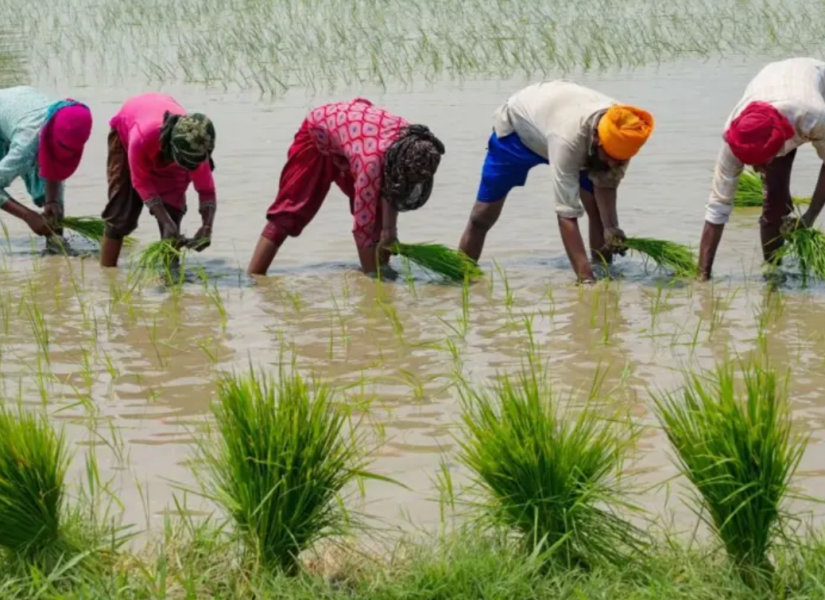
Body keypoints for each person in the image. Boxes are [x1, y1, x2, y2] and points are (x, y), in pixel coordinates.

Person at [458, 80, 654, 282]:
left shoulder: (625, 133)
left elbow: (606, 184)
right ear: (597, 139)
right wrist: (585, 281)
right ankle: (461, 276)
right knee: (481, 217)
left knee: (596, 212)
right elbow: (566, 215)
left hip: (568, 133)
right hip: (518, 134)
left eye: (619, 160)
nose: (615, 163)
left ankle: (605, 273)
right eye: (611, 157)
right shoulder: (568, 139)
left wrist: (611, 227)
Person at [247, 98, 445, 276]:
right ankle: (253, 279)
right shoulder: (372, 164)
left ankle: (383, 269)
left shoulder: (414, 141)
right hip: (317, 134)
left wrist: (389, 232)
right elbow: (362, 229)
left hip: (355, 135)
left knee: (377, 215)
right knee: (290, 213)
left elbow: (392, 187)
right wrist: (372, 282)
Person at [699, 57, 825, 280]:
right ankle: (774, 270)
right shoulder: (734, 137)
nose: (756, 172)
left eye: (761, 164)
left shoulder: (814, 117)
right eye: (752, 164)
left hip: (815, 81)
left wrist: (810, 215)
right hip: (770, 81)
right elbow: (717, 208)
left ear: (779, 144)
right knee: (774, 202)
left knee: (776, 186)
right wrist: (702, 277)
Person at [100, 93, 217, 267]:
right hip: (129, 130)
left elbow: (206, 190)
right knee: (121, 214)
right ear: (171, 150)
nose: (190, 169)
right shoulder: (141, 138)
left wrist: (207, 227)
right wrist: (164, 221)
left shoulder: (196, 146)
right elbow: (141, 182)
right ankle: (107, 273)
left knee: (173, 213)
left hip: (171, 146)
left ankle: (171, 278)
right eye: (185, 164)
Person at [0, 86, 92, 238]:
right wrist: (27, 216)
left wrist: (52, 201)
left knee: (52, 199)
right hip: (11, 113)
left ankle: (56, 245)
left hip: (21, 104)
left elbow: (54, 168)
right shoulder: (27, 146)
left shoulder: (70, 122)